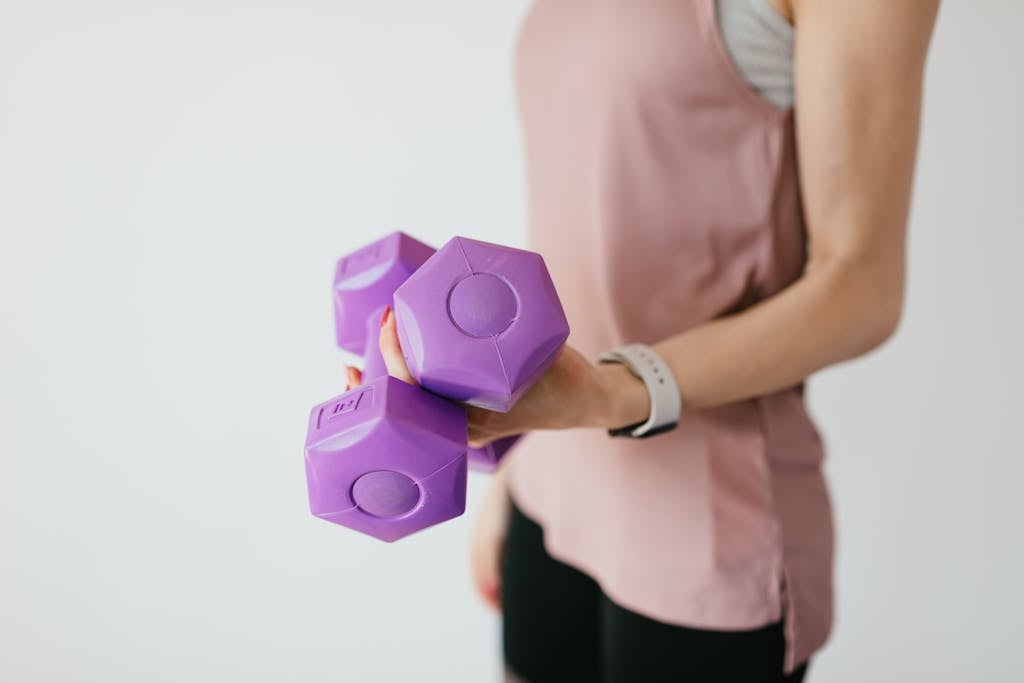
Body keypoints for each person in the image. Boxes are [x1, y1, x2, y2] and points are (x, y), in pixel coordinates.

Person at [350, 0, 939, 680]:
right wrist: (512, 467)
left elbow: (860, 289)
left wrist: (610, 390)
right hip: (550, 494)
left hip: (705, 531)